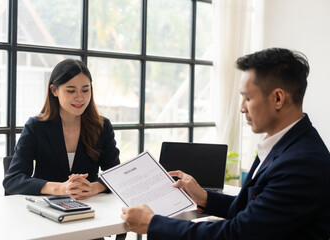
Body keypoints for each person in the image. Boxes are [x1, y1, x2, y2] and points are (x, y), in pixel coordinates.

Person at [121, 48, 330, 239]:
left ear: (277, 98)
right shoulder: (282, 143)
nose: (241, 108)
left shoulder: (301, 164)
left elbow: (237, 234)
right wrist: (204, 197)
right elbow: (254, 211)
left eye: (247, 98)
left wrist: (152, 223)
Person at [3, 59, 120, 200]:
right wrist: (61, 188)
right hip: (45, 209)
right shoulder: (35, 126)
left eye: (85, 90)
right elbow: (13, 180)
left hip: (91, 208)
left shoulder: (102, 126)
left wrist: (92, 188)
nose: (80, 98)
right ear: (54, 90)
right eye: (71, 91)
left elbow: (116, 174)